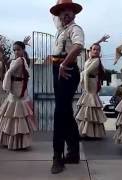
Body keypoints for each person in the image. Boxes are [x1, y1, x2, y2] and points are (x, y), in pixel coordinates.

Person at [50, 0, 85, 174]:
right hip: (58, 68)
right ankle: (74, 152)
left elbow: (78, 46)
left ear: (74, 13)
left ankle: (57, 155)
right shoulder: (60, 28)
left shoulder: (74, 29)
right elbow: (54, 15)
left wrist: (64, 64)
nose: (65, 14)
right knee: (66, 112)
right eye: (62, 11)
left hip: (68, 69)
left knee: (60, 112)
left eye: (68, 11)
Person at [0, 40, 37, 150]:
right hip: (15, 89)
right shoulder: (18, 60)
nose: (16, 52)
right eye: (14, 50)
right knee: (14, 115)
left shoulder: (21, 60)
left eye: (18, 49)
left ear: (23, 50)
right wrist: (7, 87)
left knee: (15, 115)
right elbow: (9, 71)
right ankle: (13, 141)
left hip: (18, 89)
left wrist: (6, 87)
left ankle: (16, 141)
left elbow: (9, 72)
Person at [75, 35, 109, 138]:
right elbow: (91, 47)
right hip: (87, 82)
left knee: (91, 105)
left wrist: (84, 86)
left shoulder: (96, 61)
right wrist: (100, 41)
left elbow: (87, 72)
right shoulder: (89, 59)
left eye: (98, 50)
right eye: (94, 49)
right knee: (87, 106)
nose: (95, 51)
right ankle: (86, 132)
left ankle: (91, 133)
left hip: (91, 84)